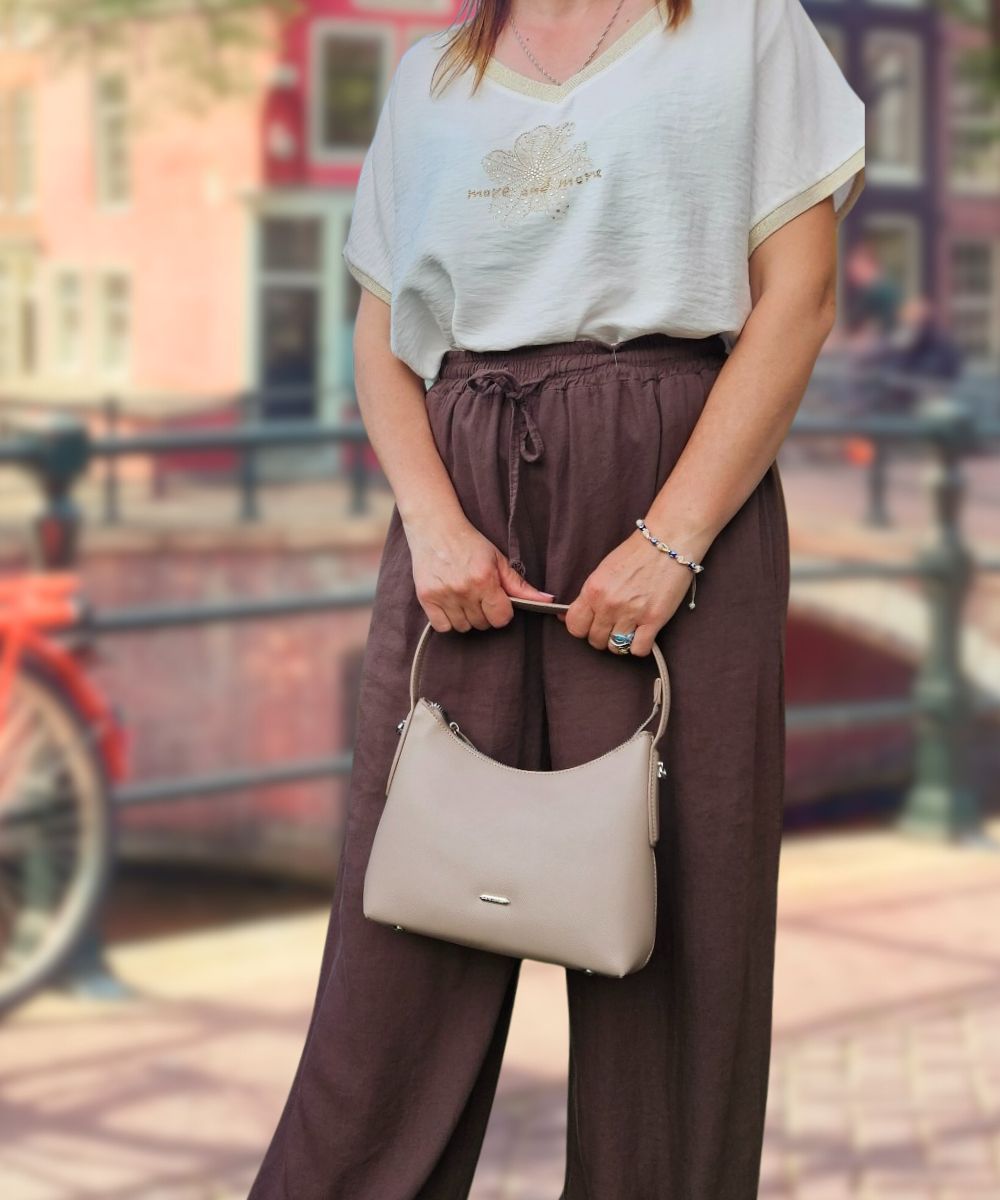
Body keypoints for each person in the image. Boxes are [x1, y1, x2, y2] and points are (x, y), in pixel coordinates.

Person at [247, 1, 865, 1197]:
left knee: (677, 933)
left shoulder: (743, 27)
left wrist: (673, 539)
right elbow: (382, 339)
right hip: (461, 500)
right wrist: (433, 527)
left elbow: (796, 299)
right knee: (402, 926)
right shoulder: (430, 76)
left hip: (678, 478)